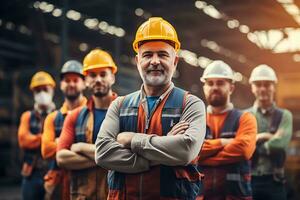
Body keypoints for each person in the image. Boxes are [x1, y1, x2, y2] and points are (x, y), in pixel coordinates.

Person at [95, 17, 206, 200]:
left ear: (175, 61)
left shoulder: (191, 104)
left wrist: (133, 140)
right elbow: (103, 153)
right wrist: (164, 147)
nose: (155, 61)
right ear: (138, 61)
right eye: (147, 55)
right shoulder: (120, 105)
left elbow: (185, 150)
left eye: (162, 54)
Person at [56, 49, 117, 200]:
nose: (98, 79)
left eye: (103, 74)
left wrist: (81, 148)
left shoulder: (127, 112)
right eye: (92, 75)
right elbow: (62, 158)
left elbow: (131, 155)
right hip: (84, 195)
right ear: (86, 80)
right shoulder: (75, 116)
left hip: (116, 194)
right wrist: (108, 159)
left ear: (113, 77)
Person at [198, 60, 257, 200]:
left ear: (231, 88)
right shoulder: (195, 120)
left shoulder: (246, 118)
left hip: (235, 195)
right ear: (204, 87)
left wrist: (202, 158)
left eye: (220, 83)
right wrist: (224, 142)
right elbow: (185, 151)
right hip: (201, 196)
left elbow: (243, 150)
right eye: (210, 83)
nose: (214, 87)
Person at [41, 60, 86, 200]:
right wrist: (80, 146)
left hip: (86, 182)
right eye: (67, 80)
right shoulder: (52, 118)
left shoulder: (92, 113)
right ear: (61, 84)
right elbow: (46, 150)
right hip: (58, 184)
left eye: (75, 80)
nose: (71, 84)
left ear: (84, 83)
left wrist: (60, 142)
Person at [247, 64, 293, 200]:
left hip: (275, 182)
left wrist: (253, 142)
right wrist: (267, 136)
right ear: (252, 87)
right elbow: (241, 146)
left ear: (274, 87)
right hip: (249, 180)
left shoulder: (285, 115)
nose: (262, 89)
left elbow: (280, 144)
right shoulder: (243, 115)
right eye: (258, 84)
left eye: (267, 84)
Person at [18, 71, 56, 200]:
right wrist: (49, 139)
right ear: (33, 93)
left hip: (54, 173)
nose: (42, 94)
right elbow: (24, 140)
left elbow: (63, 143)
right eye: (38, 91)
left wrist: (36, 139)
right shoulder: (27, 116)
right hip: (32, 173)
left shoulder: (59, 115)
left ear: (52, 90)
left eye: (45, 89)